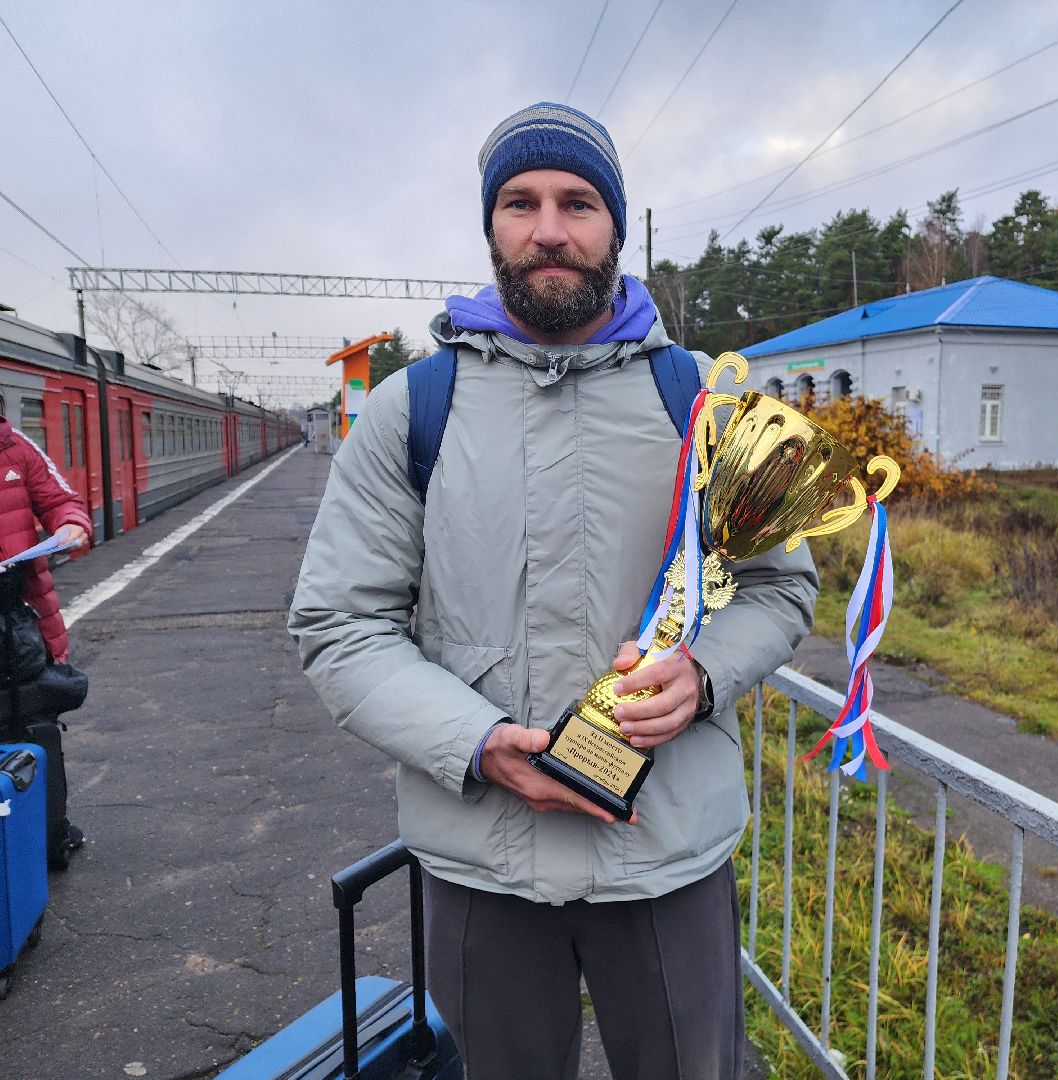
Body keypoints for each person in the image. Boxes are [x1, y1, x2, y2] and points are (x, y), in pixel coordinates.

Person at [289, 102, 817, 1080]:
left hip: (666, 858)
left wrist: (701, 676)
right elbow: (340, 622)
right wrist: (475, 743)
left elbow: (779, 590)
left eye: (577, 203)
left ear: (615, 225)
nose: (548, 229)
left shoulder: (709, 403)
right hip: (482, 865)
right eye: (520, 203)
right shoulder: (414, 409)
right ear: (490, 225)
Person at [0, 411, 93, 862]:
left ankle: (44, 838)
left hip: (21, 627)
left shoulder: (15, 447)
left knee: (31, 727)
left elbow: (61, 500)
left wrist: (71, 523)